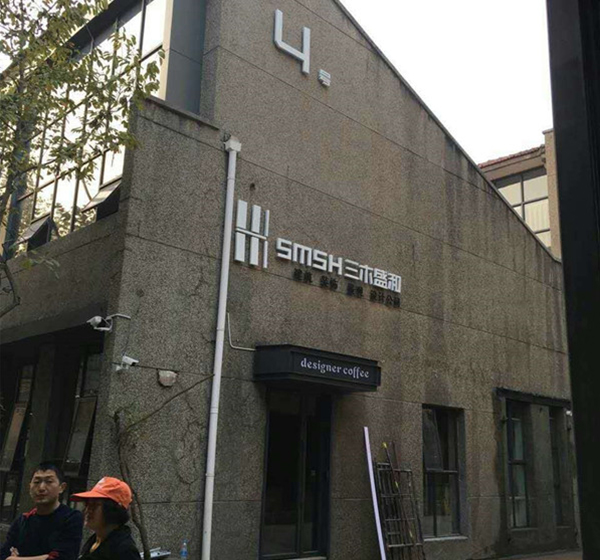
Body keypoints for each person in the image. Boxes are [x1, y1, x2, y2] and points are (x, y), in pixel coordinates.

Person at [0, 462, 83, 560]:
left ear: (62, 487)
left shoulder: (71, 518)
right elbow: (3, 555)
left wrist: (15, 559)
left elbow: (64, 557)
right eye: (36, 482)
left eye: (49, 482)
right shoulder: (23, 521)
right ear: (29, 486)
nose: (41, 488)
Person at [71, 477, 140, 560]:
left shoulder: (125, 550)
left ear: (113, 510)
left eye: (94, 505)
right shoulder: (95, 541)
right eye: (87, 505)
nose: (88, 510)